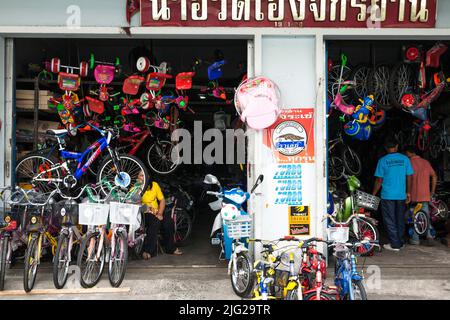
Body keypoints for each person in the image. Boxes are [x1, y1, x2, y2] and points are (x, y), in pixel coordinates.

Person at [372, 139, 414, 252]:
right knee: (400, 219)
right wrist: (408, 192)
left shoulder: (382, 160)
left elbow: (379, 180)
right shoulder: (405, 159)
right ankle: (399, 241)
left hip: (387, 196)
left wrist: (373, 194)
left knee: (390, 220)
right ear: (396, 146)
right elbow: (409, 176)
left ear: (386, 148)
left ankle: (395, 245)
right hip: (401, 195)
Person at [140, 174, 182, 260]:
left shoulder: (154, 185)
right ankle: (148, 251)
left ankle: (170, 248)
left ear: (148, 177)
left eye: (143, 175)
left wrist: (160, 213)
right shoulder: (136, 187)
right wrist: (138, 187)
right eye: (140, 175)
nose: (141, 177)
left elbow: (162, 200)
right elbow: (133, 202)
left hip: (156, 211)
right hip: (145, 213)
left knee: (168, 222)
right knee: (155, 222)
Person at [405, 145, 438, 246]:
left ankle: (415, 239)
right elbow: (434, 176)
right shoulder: (425, 162)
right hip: (425, 195)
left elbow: (407, 178)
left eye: (406, 153)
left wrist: (407, 192)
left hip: (413, 195)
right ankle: (429, 235)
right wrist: (432, 191)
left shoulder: (408, 162)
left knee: (414, 217)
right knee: (425, 216)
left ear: (410, 153)